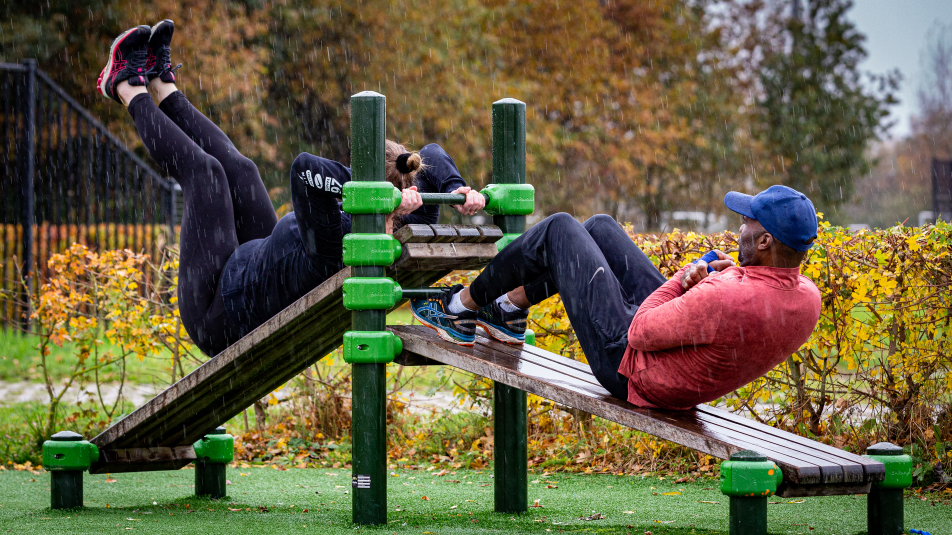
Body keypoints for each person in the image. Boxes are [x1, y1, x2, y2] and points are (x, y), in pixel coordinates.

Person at [97, 22, 485, 357]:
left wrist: (370, 193)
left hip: (218, 312)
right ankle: (163, 89)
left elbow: (304, 168)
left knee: (206, 175)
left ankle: (127, 88)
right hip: (260, 266)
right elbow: (431, 154)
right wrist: (459, 188)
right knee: (243, 170)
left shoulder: (337, 239)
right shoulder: (405, 221)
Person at [410, 186, 822, 410]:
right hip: (674, 369)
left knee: (559, 228)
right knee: (600, 228)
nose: (739, 227)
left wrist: (683, 279)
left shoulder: (727, 295)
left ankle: (458, 306)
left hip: (628, 367)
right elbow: (742, 304)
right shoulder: (807, 296)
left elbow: (641, 330)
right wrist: (727, 274)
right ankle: (506, 309)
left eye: (747, 222)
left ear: (766, 240)